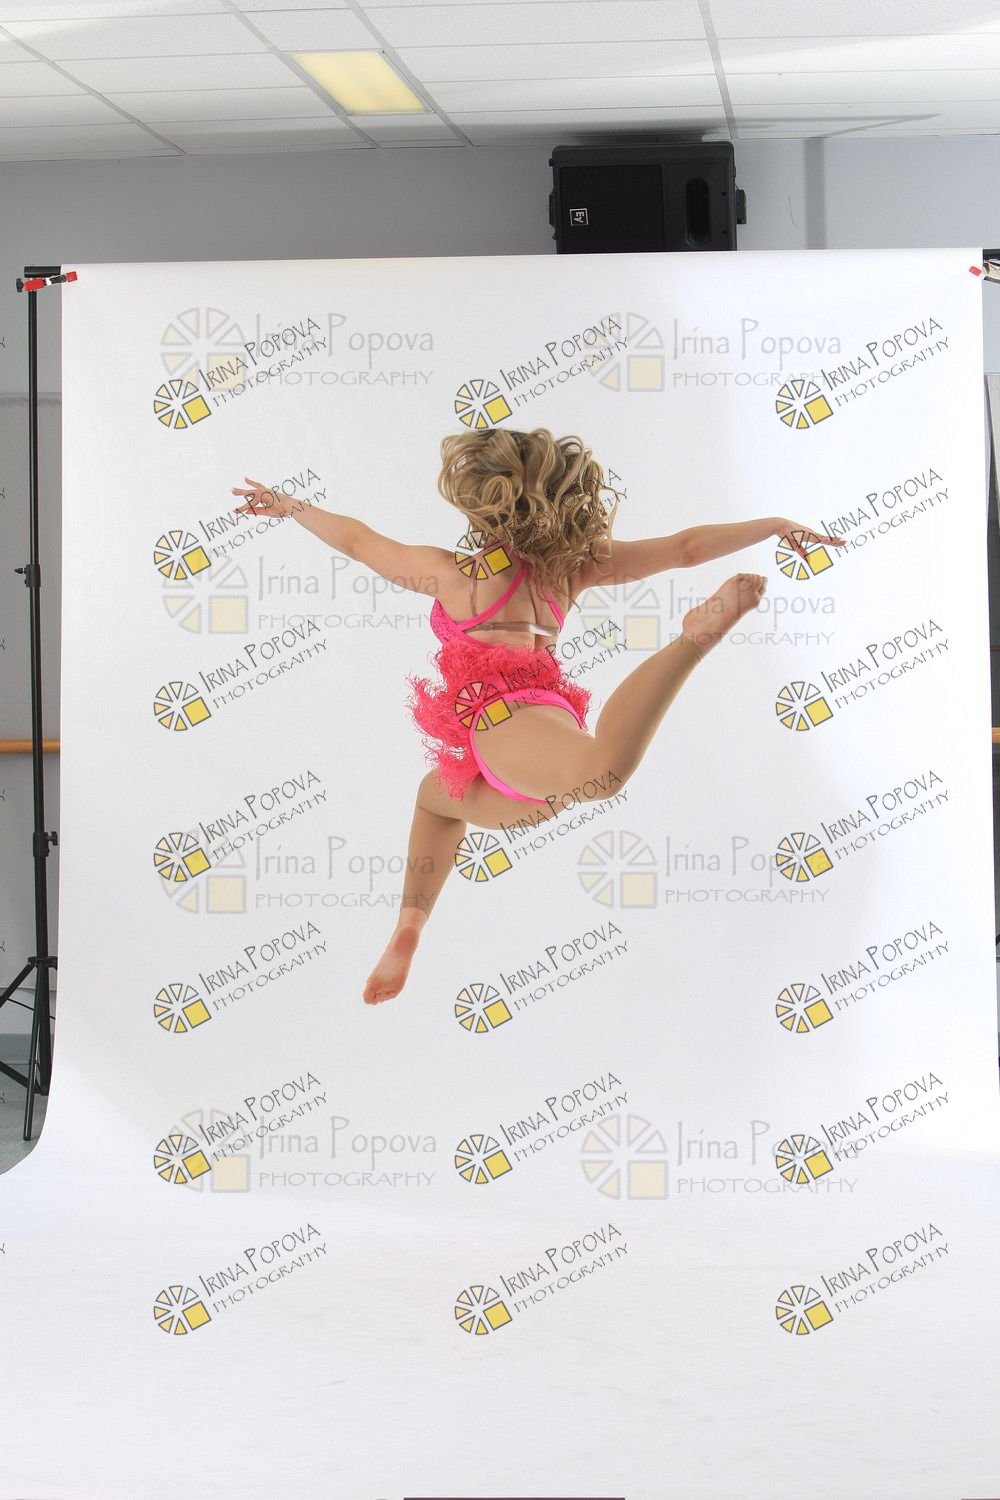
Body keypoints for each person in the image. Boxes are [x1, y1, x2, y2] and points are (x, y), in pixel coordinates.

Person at [233, 427, 845, 1006]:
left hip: (509, 735)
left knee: (599, 775)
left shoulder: (451, 575)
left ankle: (694, 639)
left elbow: (359, 542)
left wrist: (292, 507)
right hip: (537, 742)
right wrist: (772, 525)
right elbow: (684, 549)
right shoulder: (573, 570)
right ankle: (409, 926)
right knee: (437, 800)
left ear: (482, 505)